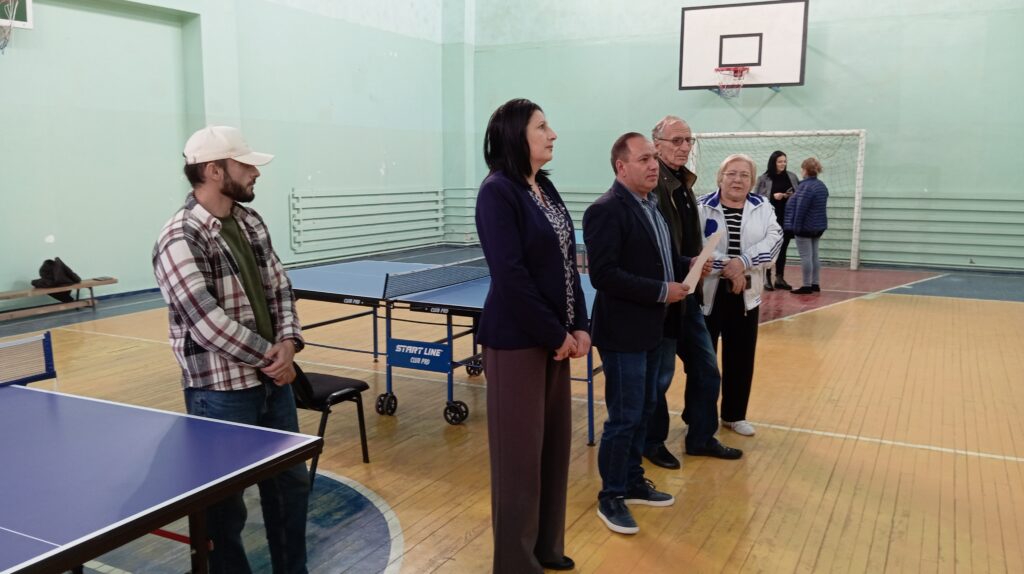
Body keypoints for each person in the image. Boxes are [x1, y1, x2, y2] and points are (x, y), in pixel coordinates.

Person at [153, 125, 309, 574]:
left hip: (273, 384)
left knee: (290, 490)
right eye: (245, 165)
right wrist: (273, 359)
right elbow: (207, 324)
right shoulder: (179, 237)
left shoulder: (249, 220)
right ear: (214, 170)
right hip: (221, 393)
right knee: (224, 510)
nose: (256, 172)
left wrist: (288, 343)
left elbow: (280, 287)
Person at [475, 98, 589, 573]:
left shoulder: (546, 187)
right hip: (517, 342)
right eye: (542, 126)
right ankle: (515, 563)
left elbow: (568, 261)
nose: (552, 133)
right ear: (516, 135)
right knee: (518, 462)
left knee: (553, 451)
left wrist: (580, 325)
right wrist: (554, 333)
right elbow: (511, 275)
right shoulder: (497, 192)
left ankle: (546, 548)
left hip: (555, 340)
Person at [583, 133, 691, 535]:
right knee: (624, 417)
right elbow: (604, 275)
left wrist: (695, 263)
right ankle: (610, 496)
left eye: (653, 159)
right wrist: (663, 291)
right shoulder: (605, 210)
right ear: (621, 166)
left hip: (651, 328)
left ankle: (631, 482)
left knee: (644, 409)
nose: (653, 166)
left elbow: (663, 260)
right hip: (622, 332)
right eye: (644, 159)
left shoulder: (652, 206)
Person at [645, 116, 743, 468]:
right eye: (677, 140)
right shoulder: (653, 185)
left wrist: (697, 263)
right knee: (659, 379)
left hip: (687, 296)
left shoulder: (683, 184)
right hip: (664, 298)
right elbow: (652, 246)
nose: (684, 147)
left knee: (706, 369)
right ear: (656, 144)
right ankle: (652, 442)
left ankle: (701, 437)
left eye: (689, 140)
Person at [697, 154, 782, 438]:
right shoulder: (702, 207)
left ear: (752, 180)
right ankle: (701, 418)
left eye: (744, 175)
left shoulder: (763, 207)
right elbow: (697, 247)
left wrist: (743, 263)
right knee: (704, 361)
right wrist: (730, 267)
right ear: (720, 177)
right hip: (708, 294)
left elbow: (774, 243)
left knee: (741, 357)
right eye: (731, 173)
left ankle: (734, 415)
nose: (737, 180)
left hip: (746, 294)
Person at [754, 150, 800, 291]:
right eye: (780, 161)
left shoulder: (792, 176)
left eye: (784, 161)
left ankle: (779, 278)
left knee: (783, 248)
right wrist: (773, 197)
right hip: (770, 218)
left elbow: (799, 194)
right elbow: (756, 198)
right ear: (773, 162)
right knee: (769, 248)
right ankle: (766, 278)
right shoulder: (763, 178)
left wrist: (789, 196)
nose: (783, 164)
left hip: (787, 218)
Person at [785, 157, 829, 295]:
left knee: (806, 257)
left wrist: (795, 228)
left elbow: (801, 209)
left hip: (805, 227)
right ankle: (815, 283)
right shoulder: (821, 186)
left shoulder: (804, 187)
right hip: (818, 227)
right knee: (814, 256)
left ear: (805, 170)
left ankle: (806, 285)